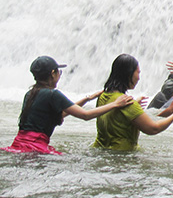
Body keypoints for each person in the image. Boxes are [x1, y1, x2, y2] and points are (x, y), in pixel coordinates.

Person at [2, 56, 133, 155]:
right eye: (59, 72)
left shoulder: (30, 94)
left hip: (18, 145)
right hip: (35, 148)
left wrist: (88, 98)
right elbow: (85, 115)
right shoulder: (53, 94)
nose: (59, 75)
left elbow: (61, 113)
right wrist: (115, 104)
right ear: (53, 73)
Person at [92, 54, 173, 151]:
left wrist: (134, 106)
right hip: (122, 155)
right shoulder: (128, 103)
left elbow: (114, 118)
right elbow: (153, 129)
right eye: (138, 73)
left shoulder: (103, 96)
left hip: (100, 149)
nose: (139, 78)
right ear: (129, 74)